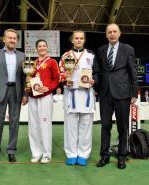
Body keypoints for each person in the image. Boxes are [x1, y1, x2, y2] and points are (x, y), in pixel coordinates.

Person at [93, 23, 138, 169]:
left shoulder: (128, 49)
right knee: (105, 126)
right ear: (106, 35)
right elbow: (98, 72)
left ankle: (121, 156)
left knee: (122, 127)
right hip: (105, 94)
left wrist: (134, 92)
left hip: (123, 94)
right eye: (109, 32)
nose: (112, 34)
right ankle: (104, 156)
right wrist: (95, 86)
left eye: (114, 31)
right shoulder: (100, 50)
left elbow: (133, 71)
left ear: (119, 34)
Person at [0, 28, 27, 163]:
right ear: (4, 39)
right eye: (9, 37)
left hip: (16, 92)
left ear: (17, 40)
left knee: (14, 123)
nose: (12, 40)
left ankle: (11, 150)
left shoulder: (22, 56)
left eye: (14, 38)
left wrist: (25, 94)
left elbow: (25, 78)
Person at [59, 31, 96, 166]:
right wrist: (65, 79)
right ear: (72, 40)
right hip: (71, 94)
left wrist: (94, 80)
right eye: (76, 38)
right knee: (70, 126)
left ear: (84, 40)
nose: (79, 40)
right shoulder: (65, 56)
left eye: (81, 38)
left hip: (86, 94)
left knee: (86, 125)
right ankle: (71, 153)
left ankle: (83, 154)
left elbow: (97, 72)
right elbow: (60, 74)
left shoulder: (90, 55)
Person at [27, 39, 59, 164]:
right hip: (33, 96)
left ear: (47, 47)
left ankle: (46, 154)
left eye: (44, 46)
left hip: (45, 96)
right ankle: (36, 153)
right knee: (33, 126)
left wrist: (49, 87)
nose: (42, 48)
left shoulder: (52, 62)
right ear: (36, 49)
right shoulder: (32, 63)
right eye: (39, 46)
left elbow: (56, 79)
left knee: (45, 125)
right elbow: (29, 78)